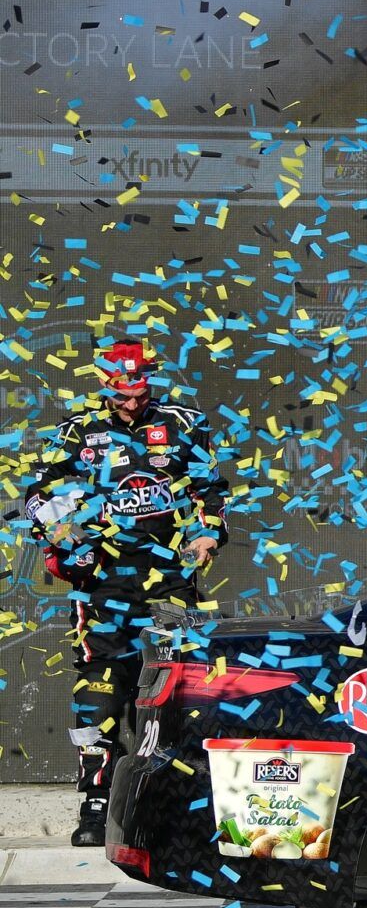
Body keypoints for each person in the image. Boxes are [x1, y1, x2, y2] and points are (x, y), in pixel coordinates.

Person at [20, 339, 229, 845]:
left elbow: (210, 490)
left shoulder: (183, 423)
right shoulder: (77, 431)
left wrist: (207, 531)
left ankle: (178, 804)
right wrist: (61, 531)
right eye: (122, 396)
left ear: (149, 381)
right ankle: (95, 803)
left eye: (139, 394)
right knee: (100, 686)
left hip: (170, 580)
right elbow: (37, 497)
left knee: (178, 685)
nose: (132, 405)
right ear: (105, 384)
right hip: (102, 582)